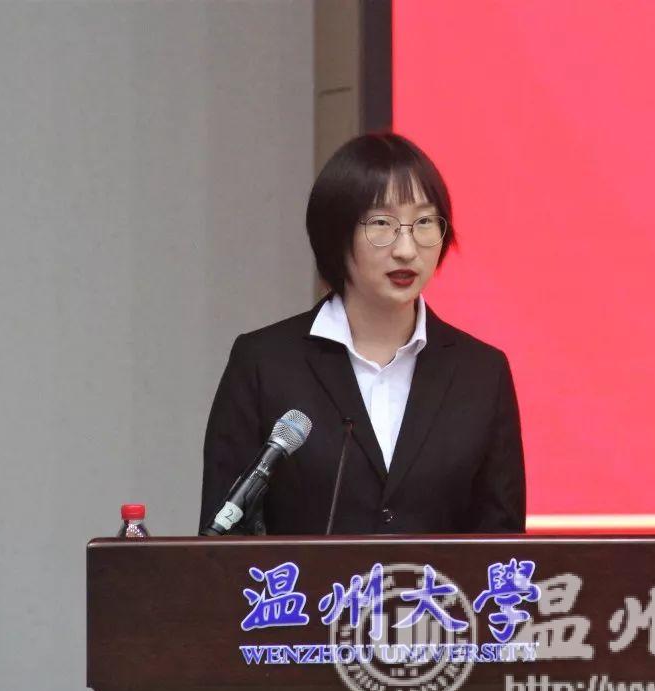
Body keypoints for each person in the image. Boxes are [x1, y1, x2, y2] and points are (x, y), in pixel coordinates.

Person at [198, 132, 524, 535]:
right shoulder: (265, 364)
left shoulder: (481, 373)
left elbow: (502, 546)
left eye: (424, 222)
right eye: (382, 224)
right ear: (335, 234)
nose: (406, 249)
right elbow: (223, 538)